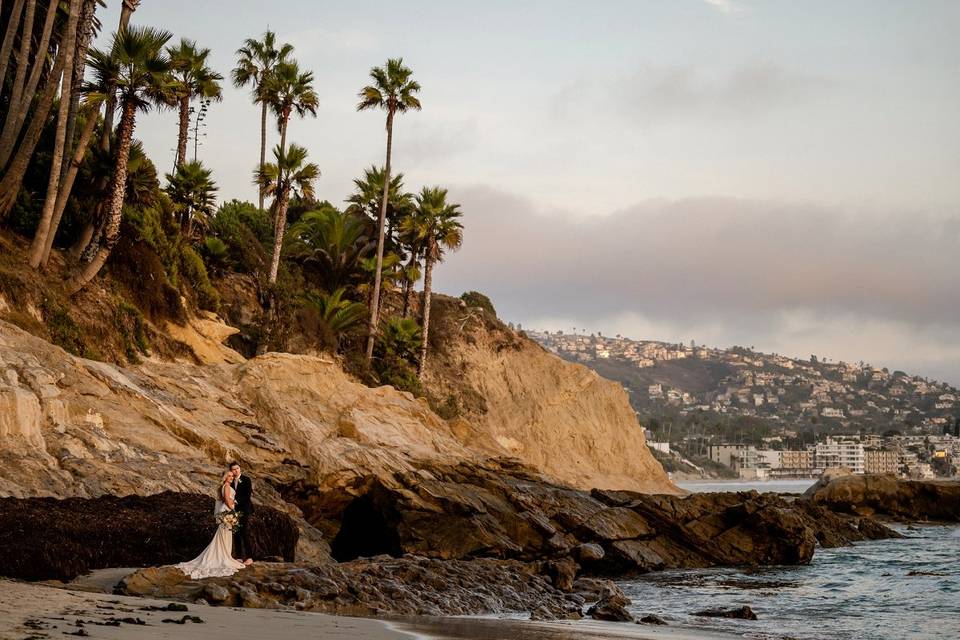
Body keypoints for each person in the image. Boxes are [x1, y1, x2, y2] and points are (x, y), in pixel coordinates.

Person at [175, 468, 246, 579]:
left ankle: (225, 555)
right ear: (225, 478)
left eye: (232, 476)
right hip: (227, 511)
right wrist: (234, 505)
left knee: (224, 535)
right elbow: (227, 501)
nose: (231, 478)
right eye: (229, 476)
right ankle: (223, 556)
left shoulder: (224, 487)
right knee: (224, 535)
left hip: (226, 511)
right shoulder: (227, 487)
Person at [230, 461, 254, 565]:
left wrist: (235, 502)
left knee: (245, 532)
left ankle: (249, 557)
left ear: (240, 469)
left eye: (237, 468)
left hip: (245, 509)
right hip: (234, 510)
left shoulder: (246, 479)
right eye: (233, 469)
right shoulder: (230, 480)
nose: (236, 471)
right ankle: (239, 556)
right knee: (236, 533)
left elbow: (247, 495)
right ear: (231, 471)